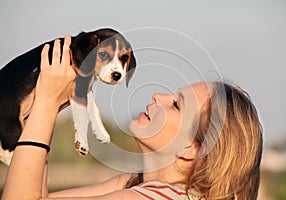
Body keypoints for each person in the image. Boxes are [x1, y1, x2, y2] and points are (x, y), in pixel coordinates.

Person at [2, 36, 263, 200]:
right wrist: (48, 105)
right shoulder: (137, 184)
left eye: (176, 105)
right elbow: (35, 195)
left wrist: (46, 103)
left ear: (192, 148)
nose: (159, 96)